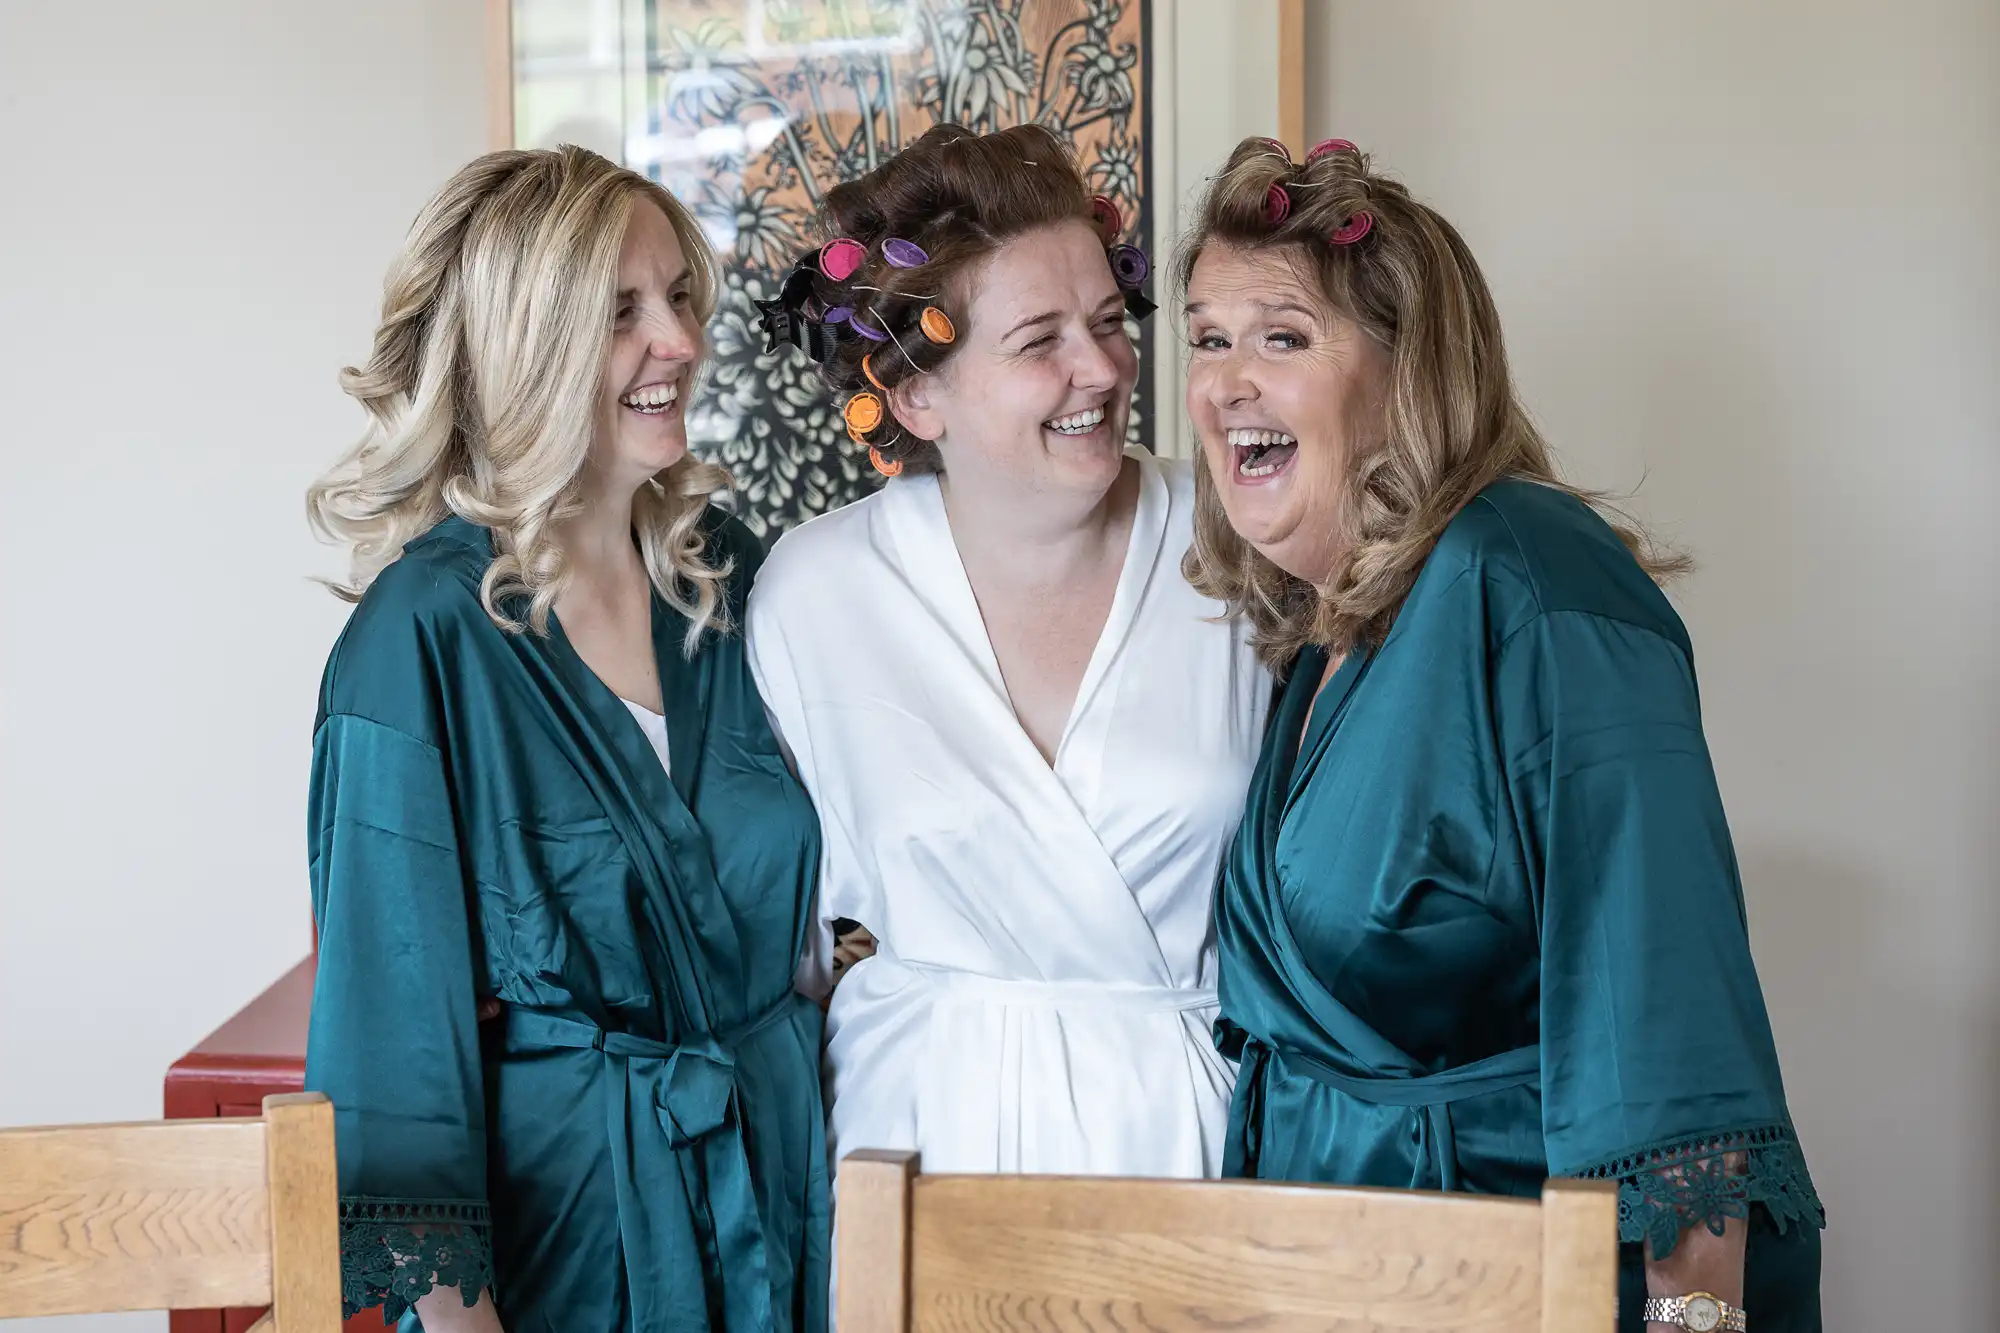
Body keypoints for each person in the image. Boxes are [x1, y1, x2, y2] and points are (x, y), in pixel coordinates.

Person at [1182, 136, 1824, 1332]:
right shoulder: (1324, 630)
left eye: (1281, 336)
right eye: (1205, 339)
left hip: (1511, 1277)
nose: (1224, 382)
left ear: (1405, 369)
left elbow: (1663, 1010)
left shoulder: (1526, 577)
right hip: (1334, 1271)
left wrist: (1694, 1316)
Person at [303, 145, 826, 1333]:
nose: (681, 343)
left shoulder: (733, 579)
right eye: (622, 313)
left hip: (788, 1203)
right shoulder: (420, 641)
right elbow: (395, 1079)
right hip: (582, 1251)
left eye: (680, 298)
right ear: (523, 339)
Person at [746, 123, 1271, 1188]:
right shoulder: (813, 596)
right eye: (1040, 341)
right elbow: (780, 942)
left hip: (1193, 1149)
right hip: (919, 1153)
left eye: (1107, 321)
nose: (1104, 368)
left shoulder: (1236, 543)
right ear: (915, 394)